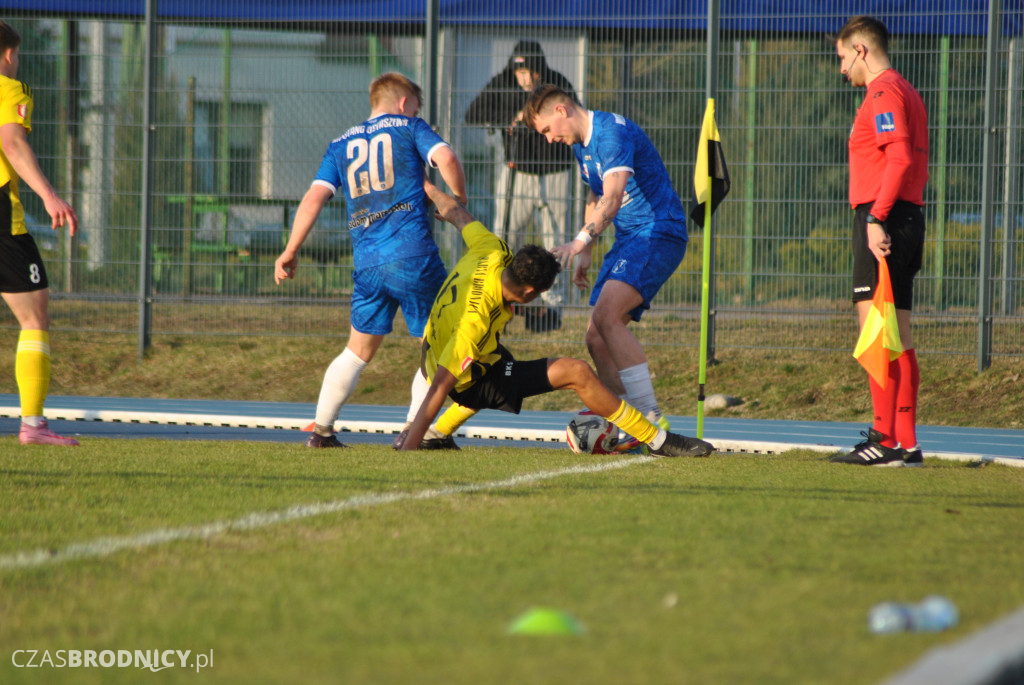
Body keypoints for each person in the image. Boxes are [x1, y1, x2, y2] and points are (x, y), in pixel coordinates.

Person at [395, 181, 714, 459]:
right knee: (576, 372)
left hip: (439, 347)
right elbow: (440, 387)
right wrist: (409, 445)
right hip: (467, 378)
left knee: (500, 359)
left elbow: (458, 214)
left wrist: (424, 185)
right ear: (531, 291)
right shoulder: (474, 324)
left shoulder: (492, 250)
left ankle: (438, 435)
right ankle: (658, 439)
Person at [274, 72, 467, 448]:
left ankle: (322, 432)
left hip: (368, 263)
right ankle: (417, 431)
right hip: (414, 257)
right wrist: (458, 198)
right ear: (404, 103)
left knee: (357, 350)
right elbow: (446, 156)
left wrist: (291, 249)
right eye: (417, 105)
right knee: (439, 344)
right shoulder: (410, 127)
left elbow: (314, 197)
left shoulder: (340, 143)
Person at [522, 84, 689, 452]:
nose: (549, 140)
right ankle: (622, 417)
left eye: (548, 130)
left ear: (562, 110)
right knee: (595, 335)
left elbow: (613, 197)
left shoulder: (611, 133)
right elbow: (595, 195)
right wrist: (587, 252)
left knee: (609, 317)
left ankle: (650, 420)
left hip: (658, 231)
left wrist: (579, 241)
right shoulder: (582, 147)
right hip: (629, 237)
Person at [829, 16, 927, 467]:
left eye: (842, 57)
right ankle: (906, 444)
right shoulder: (904, 89)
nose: (841, 68)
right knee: (898, 336)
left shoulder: (883, 91)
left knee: (878, 334)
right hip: (906, 218)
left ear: (861, 50)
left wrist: (875, 218)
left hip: (884, 218)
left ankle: (885, 438)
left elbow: (900, 157)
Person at [0, 21, 80, 446]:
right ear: (10, 55)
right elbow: (11, 142)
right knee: (34, 318)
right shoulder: (9, 89)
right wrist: (50, 196)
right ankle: (33, 426)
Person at [464, 40, 578, 333]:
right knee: (504, 238)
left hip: (555, 172)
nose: (526, 79)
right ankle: (501, 300)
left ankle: (552, 308)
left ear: (541, 70)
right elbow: (472, 114)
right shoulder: (501, 83)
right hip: (517, 173)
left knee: (557, 240)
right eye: (521, 73)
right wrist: (509, 120)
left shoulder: (557, 85)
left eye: (531, 72)